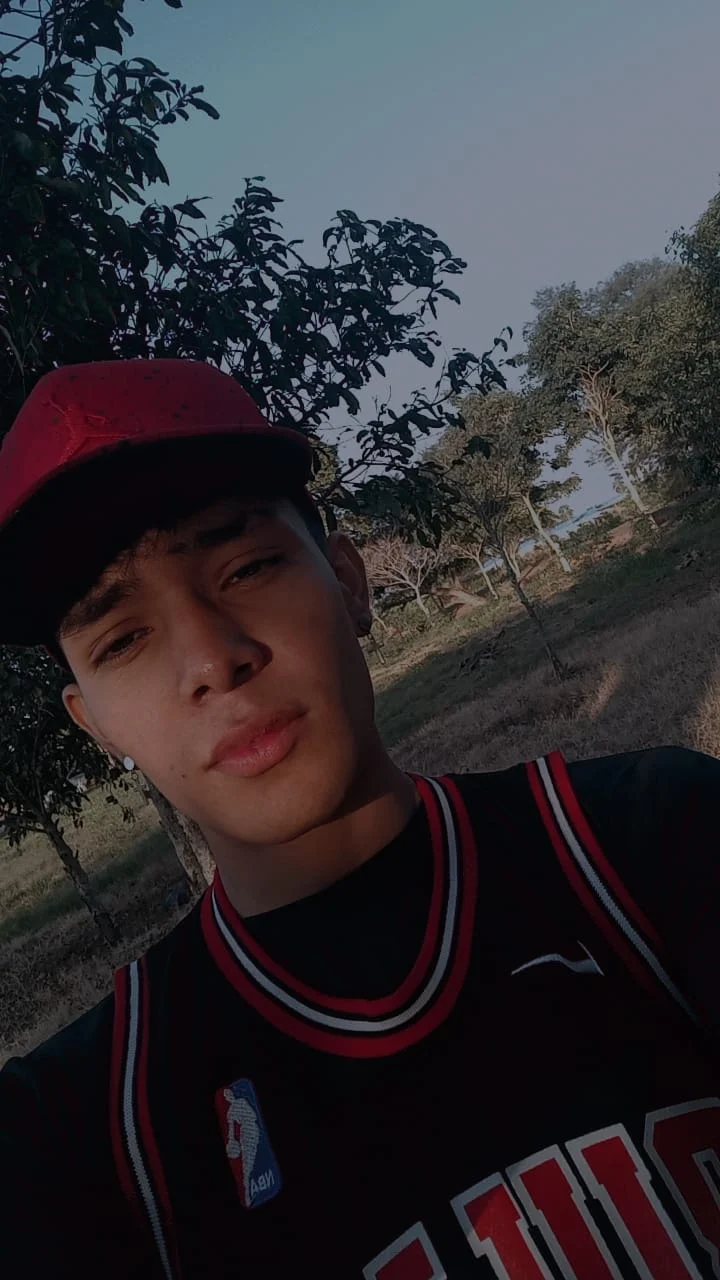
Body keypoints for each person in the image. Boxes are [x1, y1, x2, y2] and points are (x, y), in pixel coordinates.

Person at [0, 358, 718, 1280]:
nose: (212, 660)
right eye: (123, 638)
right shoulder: (91, 1132)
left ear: (349, 581)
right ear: (95, 725)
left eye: (246, 566)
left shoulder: (641, 844)